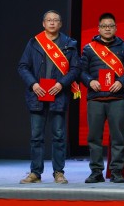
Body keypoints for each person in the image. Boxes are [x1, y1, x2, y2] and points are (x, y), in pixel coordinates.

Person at [17, 10, 80, 184]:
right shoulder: (34, 42)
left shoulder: (69, 44)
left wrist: (61, 84)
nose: (52, 23)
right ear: (43, 24)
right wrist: (33, 84)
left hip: (58, 94)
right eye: (49, 20)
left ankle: (58, 172)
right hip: (37, 94)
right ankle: (35, 173)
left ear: (60, 24)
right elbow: (23, 66)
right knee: (36, 136)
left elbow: (75, 69)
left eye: (55, 20)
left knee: (59, 136)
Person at [80, 12, 124, 183]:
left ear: (115, 28)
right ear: (99, 28)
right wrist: (90, 81)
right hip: (95, 99)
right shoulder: (89, 48)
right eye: (104, 26)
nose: (107, 29)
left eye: (110, 26)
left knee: (118, 137)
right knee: (94, 137)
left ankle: (116, 171)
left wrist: (121, 82)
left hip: (117, 98)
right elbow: (81, 71)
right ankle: (96, 171)